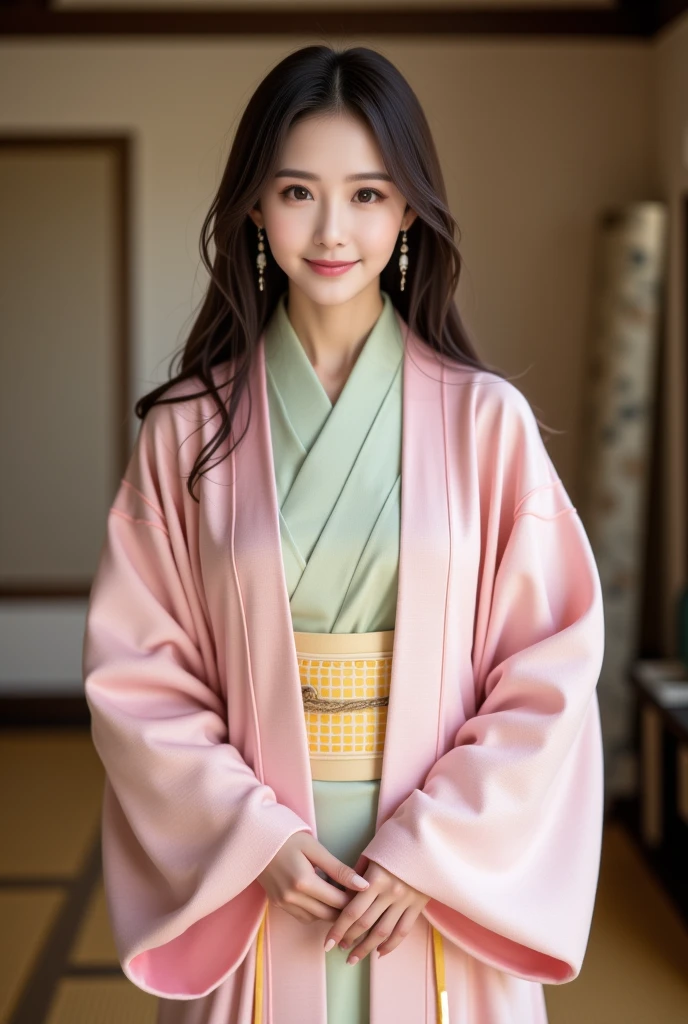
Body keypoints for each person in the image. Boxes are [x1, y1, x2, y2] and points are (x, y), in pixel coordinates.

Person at [83, 45, 605, 1024]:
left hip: (435, 869)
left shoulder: (485, 420)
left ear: (407, 211)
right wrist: (254, 840)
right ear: (252, 207)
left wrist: (431, 851)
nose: (332, 230)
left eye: (367, 194)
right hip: (267, 861)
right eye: (297, 192)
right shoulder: (184, 430)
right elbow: (136, 674)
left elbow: (548, 671)